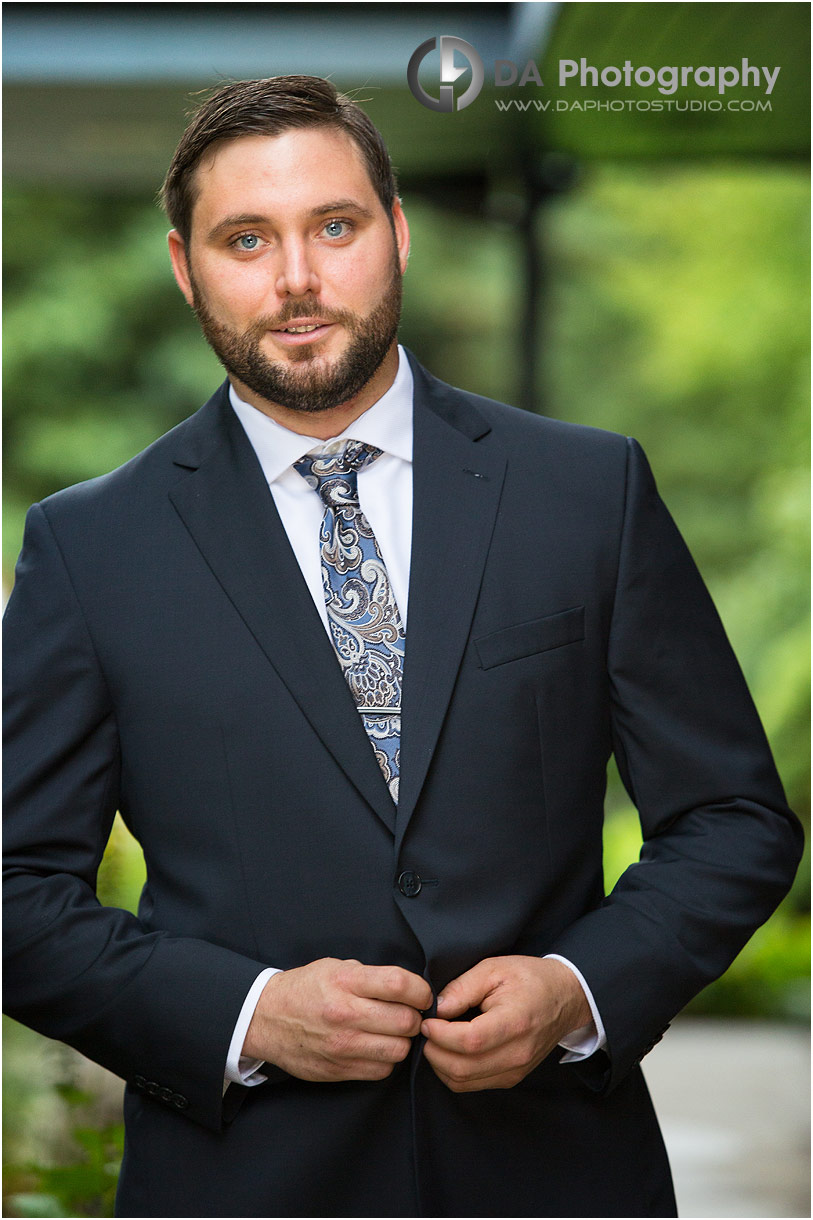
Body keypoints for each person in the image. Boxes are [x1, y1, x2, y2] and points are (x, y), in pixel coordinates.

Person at [3, 75, 802, 1219]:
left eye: (336, 225)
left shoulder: (586, 491)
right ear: (184, 267)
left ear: (399, 233)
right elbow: (13, 891)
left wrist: (579, 987)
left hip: (558, 1179)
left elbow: (734, 819)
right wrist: (246, 1013)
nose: (296, 279)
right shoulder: (89, 548)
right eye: (246, 238)